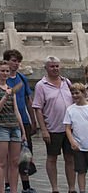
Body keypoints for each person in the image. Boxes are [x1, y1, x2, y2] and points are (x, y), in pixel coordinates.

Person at [33, 56, 75, 193]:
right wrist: (43, 129)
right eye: (52, 66)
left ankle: (71, 188)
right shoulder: (41, 85)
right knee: (52, 157)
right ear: (46, 68)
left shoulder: (66, 82)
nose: (55, 69)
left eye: (57, 66)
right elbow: (38, 108)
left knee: (70, 158)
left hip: (69, 128)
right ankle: (55, 188)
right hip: (52, 127)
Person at [3, 48, 39, 193]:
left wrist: (33, 119)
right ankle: (7, 184)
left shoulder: (22, 78)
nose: (16, 64)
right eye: (13, 61)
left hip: (23, 120)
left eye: (18, 61)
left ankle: (26, 185)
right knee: (8, 155)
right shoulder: (1, 80)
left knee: (25, 153)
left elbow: (27, 100)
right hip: (8, 121)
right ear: (6, 61)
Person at [0, 60, 28, 193]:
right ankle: (1, 190)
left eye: (7, 71)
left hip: (14, 127)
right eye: (2, 71)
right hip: (0, 127)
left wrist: (22, 131)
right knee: (1, 162)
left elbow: (16, 111)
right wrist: (5, 97)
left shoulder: (11, 89)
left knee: (15, 162)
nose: (5, 73)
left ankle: (14, 190)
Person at [64, 82, 88, 193]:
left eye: (77, 93)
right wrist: (72, 141)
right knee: (81, 170)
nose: (74, 96)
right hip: (79, 146)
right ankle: (82, 190)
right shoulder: (70, 109)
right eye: (72, 93)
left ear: (84, 93)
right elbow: (68, 128)